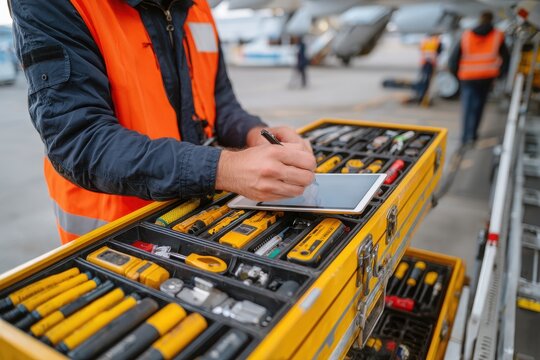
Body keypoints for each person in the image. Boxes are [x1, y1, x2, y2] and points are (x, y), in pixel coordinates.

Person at [9, 0, 316, 244]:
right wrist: (223, 168)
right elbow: (80, 141)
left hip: (195, 222)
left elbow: (220, 102)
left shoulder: (198, 6)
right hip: (114, 241)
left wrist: (254, 134)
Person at [448, 11, 509, 145]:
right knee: (479, 106)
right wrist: (500, 74)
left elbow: (453, 59)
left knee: (468, 107)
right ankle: (473, 135)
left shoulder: (467, 34)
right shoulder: (498, 35)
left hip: (468, 77)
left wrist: (457, 76)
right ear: (492, 20)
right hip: (486, 77)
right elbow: (506, 58)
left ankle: (465, 136)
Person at [415, 33, 442, 104]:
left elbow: (421, 49)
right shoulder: (437, 41)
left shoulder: (425, 40)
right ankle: (424, 98)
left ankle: (420, 96)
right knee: (427, 82)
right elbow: (439, 52)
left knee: (423, 79)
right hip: (431, 63)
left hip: (424, 63)